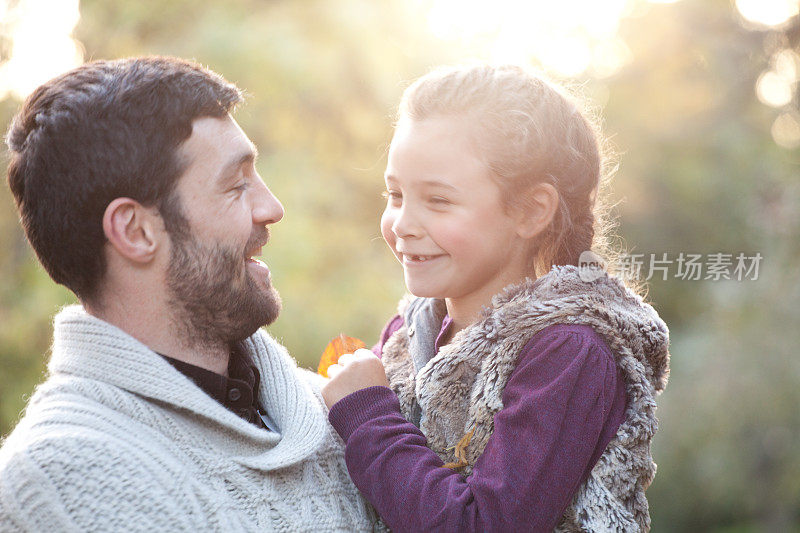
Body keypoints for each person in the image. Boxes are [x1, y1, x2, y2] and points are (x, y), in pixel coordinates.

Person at [0, 56, 379, 531]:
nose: (272, 207)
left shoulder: (339, 410)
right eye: (236, 184)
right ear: (136, 231)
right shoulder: (63, 477)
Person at [321, 64, 671, 532]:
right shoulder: (408, 335)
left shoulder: (571, 351)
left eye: (439, 200)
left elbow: (484, 524)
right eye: (396, 194)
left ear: (531, 211)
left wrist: (367, 414)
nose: (402, 223)